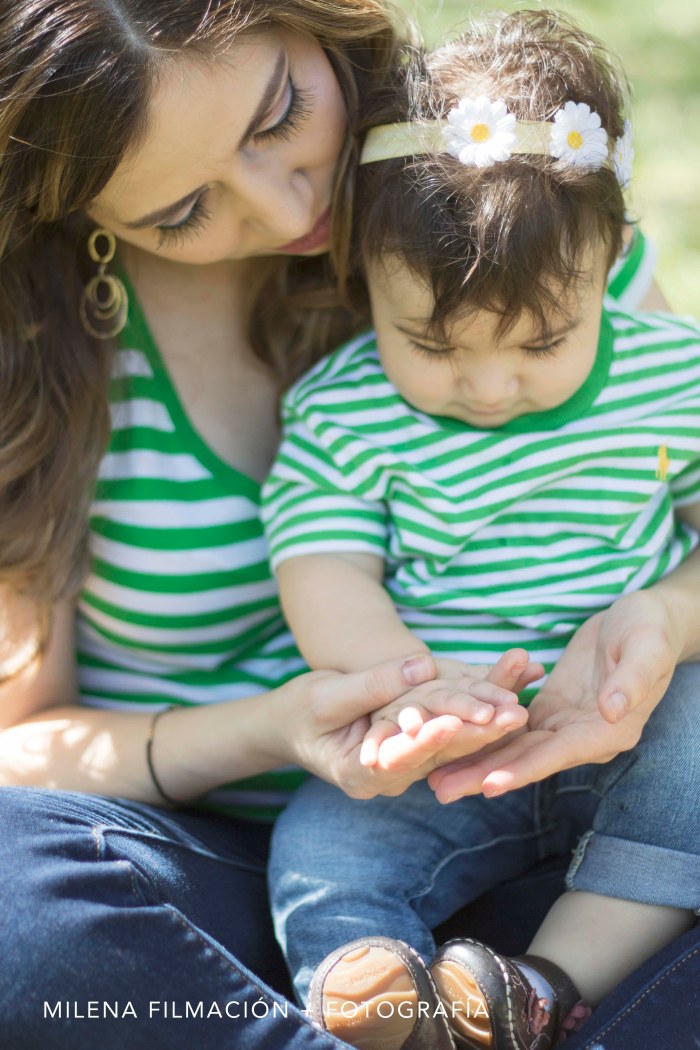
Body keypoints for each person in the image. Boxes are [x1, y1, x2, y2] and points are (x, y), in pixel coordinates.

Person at [0, 2, 696, 1049]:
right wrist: (281, 728)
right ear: (85, 210)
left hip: (597, 843)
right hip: (243, 878)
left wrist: (666, 618)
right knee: (17, 903)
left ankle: (534, 997)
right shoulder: (37, 360)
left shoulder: (507, 190)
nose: (286, 214)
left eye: (280, 115)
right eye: (182, 211)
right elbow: (22, 749)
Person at [261, 10, 700, 1048]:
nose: (492, 386)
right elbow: (324, 566)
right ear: (361, 279)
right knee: (320, 835)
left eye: (544, 340)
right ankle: (368, 979)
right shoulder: (342, 411)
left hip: (635, 710)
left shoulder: (670, 377)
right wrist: (406, 687)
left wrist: (669, 621)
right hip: (449, 744)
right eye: (432, 344)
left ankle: (542, 984)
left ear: (611, 263)